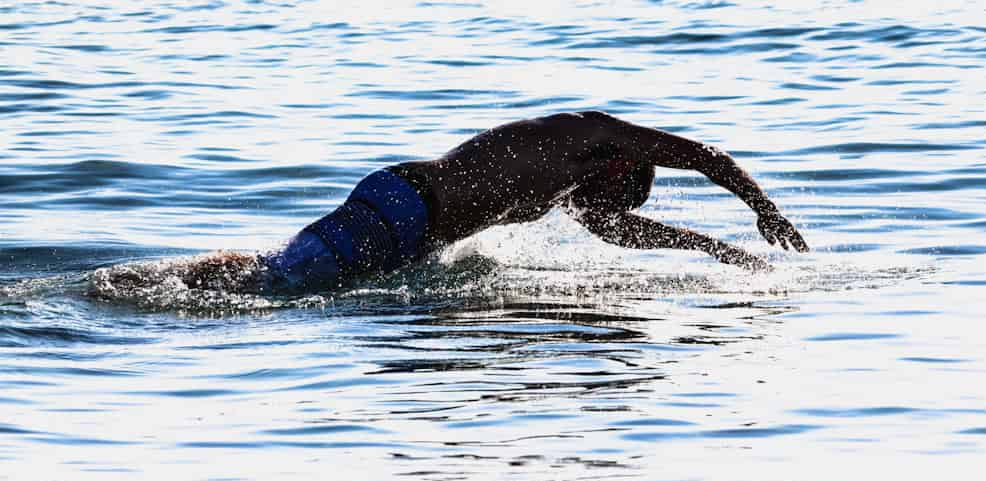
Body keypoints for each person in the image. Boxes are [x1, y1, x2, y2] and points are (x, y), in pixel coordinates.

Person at [195, 111, 808, 293]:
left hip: (406, 212)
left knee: (278, 273)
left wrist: (717, 249)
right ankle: (130, 288)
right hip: (410, 206)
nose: (594, 210)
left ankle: (173, 280)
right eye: (608, 197)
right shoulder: (589, 134)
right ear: (624, 165)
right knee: (276, 285)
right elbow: (706, 155)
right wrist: (765, 210)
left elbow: (621, 232)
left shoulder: (573, 184)